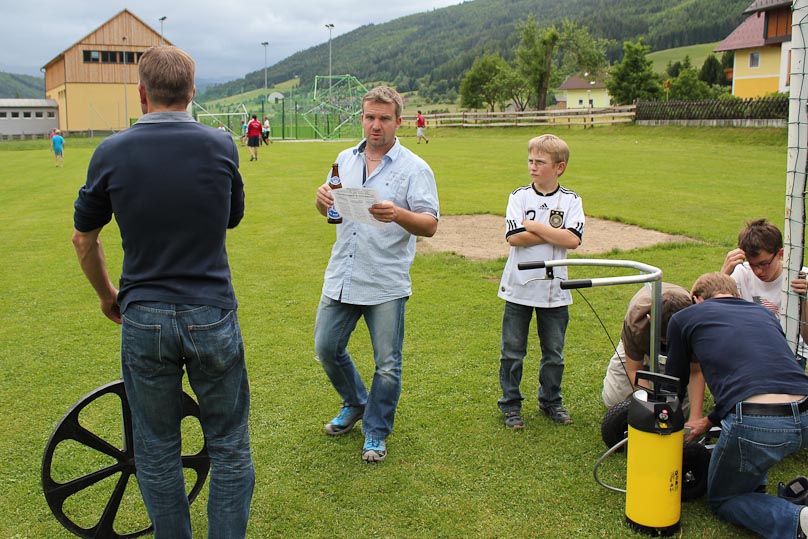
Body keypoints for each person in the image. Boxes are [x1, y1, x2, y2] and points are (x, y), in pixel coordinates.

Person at [71, 45, 254, 538]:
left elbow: (84, 239)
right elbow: (232, 218)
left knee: (156, 448)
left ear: (141, 93)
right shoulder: (221, 145)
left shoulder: (111, 151)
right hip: (211, 312)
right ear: (192, 92)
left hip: (144, 315)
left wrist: (107, 294)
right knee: (230, 445)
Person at [313, 85, 439, 462]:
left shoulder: (415, 168)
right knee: (326, 348)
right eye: (370, 117)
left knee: (387, 365)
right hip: (343, 273)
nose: (375, 125)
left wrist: (397, 214)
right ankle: (356, 402)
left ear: (399, 121)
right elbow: (332, 212)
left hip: (384, 280)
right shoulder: (344, 160)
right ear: (362, 118)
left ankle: (376, 430)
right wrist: (322, 202)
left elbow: (430, 224)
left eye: (384, 118)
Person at [665, 272, 808, 539]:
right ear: (737, 295)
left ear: (696, 299)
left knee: (724, 499)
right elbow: (759, 374)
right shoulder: (764, 314)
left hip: (758, 422)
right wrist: (710, 420)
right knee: (757, 447)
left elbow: (674, 383)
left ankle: (797, 521)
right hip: (804, 409)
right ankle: (760, 490)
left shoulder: (684, 317)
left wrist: (665, 430)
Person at [497, 134, 584, 429]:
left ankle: (551, 401)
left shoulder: (571, 200)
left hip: (554, 290)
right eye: (530, 161)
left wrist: (534, 225)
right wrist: (553, 232)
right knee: (512, 352)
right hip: (519, 287)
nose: (532, 167)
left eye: (540, 162)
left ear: (559, 167)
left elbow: (572, 240)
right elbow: (514, 237)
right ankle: (511, 404)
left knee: (554, 353)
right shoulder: (518, 196)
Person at [721, 218, 808, 365]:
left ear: (780, 254)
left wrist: (804, 301)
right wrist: (723, 275)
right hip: (751, 348)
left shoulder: (801, 279)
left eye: (764, 263)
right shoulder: (741, 272)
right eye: (753, 264)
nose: (758, 271)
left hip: (790, 353)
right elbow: (709, 315)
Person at [601, 283, 693, 408]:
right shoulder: (636, 322)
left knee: (681, 409)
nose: (667, 343)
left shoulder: (694, 320)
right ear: (650, 319)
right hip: (640, 339)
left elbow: (696, 371)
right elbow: (634, 370)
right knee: (614, 400)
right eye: (663, 339)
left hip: (683, 345)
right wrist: (651, 405)